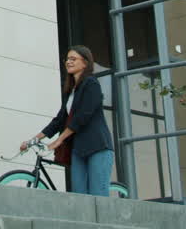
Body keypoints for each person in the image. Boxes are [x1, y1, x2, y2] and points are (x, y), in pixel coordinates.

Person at [20, 45, 115, 196]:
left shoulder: (91, 84)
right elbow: (58, 121)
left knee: (98, 196)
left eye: (73, 59)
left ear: (85, 63)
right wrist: (32, 140)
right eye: (67, 59)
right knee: (79, 196)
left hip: (98, 147)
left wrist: (59, 140)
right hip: (78, 149)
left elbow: (82, 117)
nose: (68, 62)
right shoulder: (70, 91)